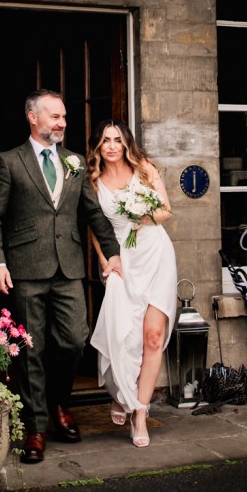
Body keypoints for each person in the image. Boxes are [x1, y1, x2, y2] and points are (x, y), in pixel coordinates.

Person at [0, 90, 121, 464]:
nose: (62, 123)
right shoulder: (9, 161)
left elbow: (93, 213)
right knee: (32, 349)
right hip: (25, 269)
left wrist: (113, 254)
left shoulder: (75, 162)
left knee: (74, 340)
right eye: (55, 116)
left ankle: (60, 402)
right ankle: (36, 427)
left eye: (63, 117)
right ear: (33, 118)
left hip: (68, 268)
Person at [88, 120, 177, 448]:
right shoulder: (93, 181)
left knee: (152, 336)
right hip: (121, 260)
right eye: (105, 140)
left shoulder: (144, 169)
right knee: (121, 334)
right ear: (98, 146)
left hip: (155, 254)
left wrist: (143, 215)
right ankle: (120, 393)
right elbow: (95, 226)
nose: (112, 146)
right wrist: (104, 260)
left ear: (126, 143)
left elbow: (166, 210)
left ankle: (140, 412)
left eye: (117, 140)